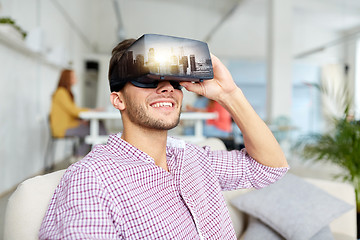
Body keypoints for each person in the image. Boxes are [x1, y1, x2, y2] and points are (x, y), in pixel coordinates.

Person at [39, 36, 289, 239]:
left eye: (174, 81)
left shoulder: (194, 157)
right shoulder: (92, 179)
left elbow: (268, 169)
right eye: (146, 80)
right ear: (118, 99)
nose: (167, 87)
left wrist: (230, 94)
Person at [50, 69, 106, 157]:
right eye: (73, 76)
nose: (76, 78)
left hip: (70, 125)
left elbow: (70, 112)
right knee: (94, 130)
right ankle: (81, 155)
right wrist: (91, 110)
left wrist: (80, 121)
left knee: (97, 126)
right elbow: (73, 110)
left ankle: (95, 154)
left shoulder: (66, 93)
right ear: (67, 78)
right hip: (63, 129)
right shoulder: (61, 92)